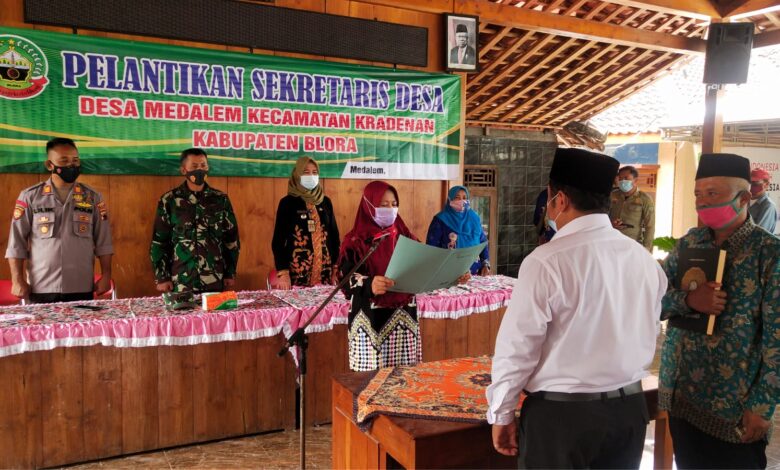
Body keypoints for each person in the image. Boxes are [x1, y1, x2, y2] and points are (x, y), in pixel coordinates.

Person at [487, 148, 667, 468]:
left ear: (560, 200)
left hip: (563, 420)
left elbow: (518, 347)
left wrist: (501, 413)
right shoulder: (643, 260)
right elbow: (648, 329)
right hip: (628, 413)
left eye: (548, 198)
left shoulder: (547, 261)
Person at [659, 153, 780, 469]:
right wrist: (688, 301)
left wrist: (762, 406)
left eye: (712, 193)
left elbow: (777, 341)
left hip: (734, 408)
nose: (702, 202)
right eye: (698, 194)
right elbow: (651, 301)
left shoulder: (769, 254)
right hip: (682, 396)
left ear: (744, 198)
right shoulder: (689, 244)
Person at [5, 138, 114, 303]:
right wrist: (17, 279)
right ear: (50, 165)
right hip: (41, 286)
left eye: (75, 160)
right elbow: (16, 242)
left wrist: (106, 275)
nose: (71, 165)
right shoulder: (30, 197)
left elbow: (104, 242)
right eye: (64, 161)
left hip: (80, 285)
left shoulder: (92, 197)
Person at [149, 148, 240, 294]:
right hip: (181, 281)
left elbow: (231, 239)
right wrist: (162, 277)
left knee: (214, 310)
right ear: (183, 170)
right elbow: (159, 242)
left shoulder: (220, 199)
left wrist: (230, 272)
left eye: (203, 165)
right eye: (194, 166)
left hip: (214, 279)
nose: (200, 170)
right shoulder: (169, 200)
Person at [271, 156, 340, 289]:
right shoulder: (287, 203)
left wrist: (335, 268)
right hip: (296, 276)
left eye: (314, 172)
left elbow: (334, 238)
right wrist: (283, 273)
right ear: (297, 175)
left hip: (325, 275)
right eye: (306, 172)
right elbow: (278, 242)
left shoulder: (325, 202)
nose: (311, 176)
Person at [426, 185, 489, 275]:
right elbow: (431, 248)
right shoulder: (440, 220)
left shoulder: (474, 218)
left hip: (474, 273)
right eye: (457, 197)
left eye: (464, 198)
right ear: (450, 199)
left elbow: (483, 242)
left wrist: (485, 264)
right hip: (448, 274)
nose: (462, 201)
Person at [609, 165, 655, 252]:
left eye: (626, 178)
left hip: (633, 245)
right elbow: (603, 216)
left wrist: (647, 249)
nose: (622, 181)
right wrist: (611, 223)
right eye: (620, 179)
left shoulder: (644, 199)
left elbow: (650, 226)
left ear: (635, 180)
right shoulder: (612, 195)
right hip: (612, 242)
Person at [749, 168, 777, 233]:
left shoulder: (768, 206)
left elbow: (759, 234)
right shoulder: (745, 201)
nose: (751, 187)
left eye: (755, 183)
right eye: (750, 183)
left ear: (766, 185)